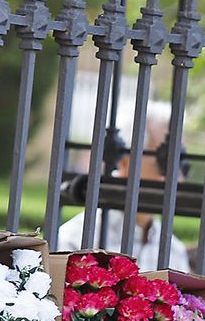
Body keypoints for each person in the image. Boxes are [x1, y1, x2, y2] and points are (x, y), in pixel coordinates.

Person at [57, 101, 194, 272]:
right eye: (164, 160)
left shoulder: (175, 252)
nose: (176, 174)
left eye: (180, 160)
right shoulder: (76, 240)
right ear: (124, 160)